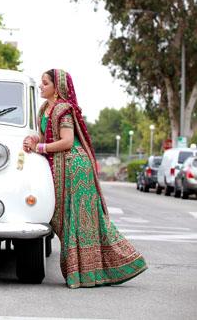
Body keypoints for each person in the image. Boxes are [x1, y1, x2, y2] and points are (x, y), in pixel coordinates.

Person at [23, 69, 147, 288]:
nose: (41, 87)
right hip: (60, 168)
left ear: (57, 88)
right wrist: (32, 140)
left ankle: (96, 272)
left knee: (81, 220)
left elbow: (67, 141)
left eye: (44, 83)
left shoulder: (63, 109)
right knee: (66, 218)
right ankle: (82, 272)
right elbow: (44, 135)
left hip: (76, 168)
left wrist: (40, 147)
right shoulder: (45, 108)